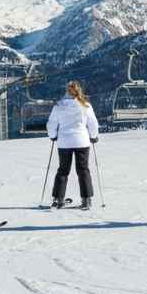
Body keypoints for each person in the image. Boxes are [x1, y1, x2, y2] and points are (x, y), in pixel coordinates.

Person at [46, 80, 100, 210]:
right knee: (83, 170)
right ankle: (86, 199)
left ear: (67, 91)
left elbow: (51, 124)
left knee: (63, 170)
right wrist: (93, 136)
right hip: (82, 141)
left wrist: (53, 136)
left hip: (64, 142)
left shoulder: (58, 106)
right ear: (78, 91)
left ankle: (58, 199)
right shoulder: (85, 106)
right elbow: (92, 123)